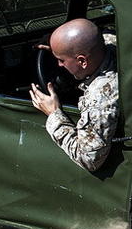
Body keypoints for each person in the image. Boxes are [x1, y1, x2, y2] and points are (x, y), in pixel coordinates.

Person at [29, 18, 119, 172]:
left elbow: (89, 159)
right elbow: (95, 37)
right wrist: (61, 48)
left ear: (83, 61)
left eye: (61, 60)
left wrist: (53, 114)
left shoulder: (100, 99)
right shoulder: (111, 43)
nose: (59, 65)